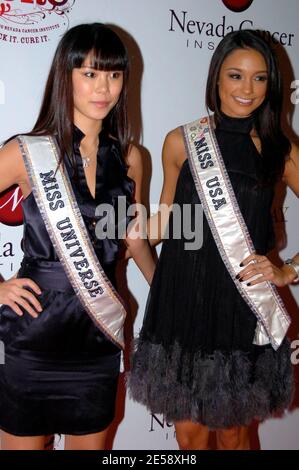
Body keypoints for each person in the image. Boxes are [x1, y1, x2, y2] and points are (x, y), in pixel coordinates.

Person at [129, 29, 299, 450]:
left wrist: (288, 270)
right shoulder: (181, 142)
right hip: (182, 308)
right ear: (216, 79)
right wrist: (113, 213)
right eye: (236, 75)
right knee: (188, 434)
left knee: (234, 433)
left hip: (240, 309)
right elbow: (165, 224)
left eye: (260, 78)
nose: (248, 89)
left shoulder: (281, 151)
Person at [0, 23, 155, 450]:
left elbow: (135, 240)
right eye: (89, 73)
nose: (103, 87)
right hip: (34, 339)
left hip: (97, 339)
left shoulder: (131, 158)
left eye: (114, 74)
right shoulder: (25, 151)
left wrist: (167, 294)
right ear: (64, 77)